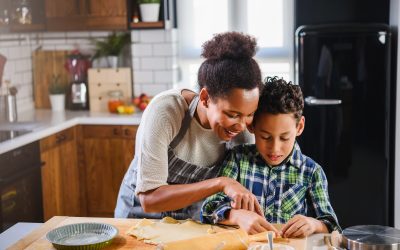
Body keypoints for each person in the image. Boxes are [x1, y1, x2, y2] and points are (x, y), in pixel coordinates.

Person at [115, 32, 265, 220]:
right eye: (232, 114)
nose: (242, 126)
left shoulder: (242, 133)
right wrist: (221, 183)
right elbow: (149, 199)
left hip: (191, 220)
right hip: (139, 215)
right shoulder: (166, 111)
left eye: (249, 114)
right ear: (204, 98)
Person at [200, 77, 341, 237]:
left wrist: (313, 224)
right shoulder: (238, 159)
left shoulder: (312, 172)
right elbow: (208, 210)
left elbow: (332, 226)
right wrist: (237, 216)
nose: (275, 148)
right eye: (265, 137)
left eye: (284, 138)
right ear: (251, 126)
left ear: (299, 127)